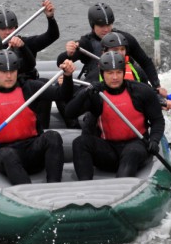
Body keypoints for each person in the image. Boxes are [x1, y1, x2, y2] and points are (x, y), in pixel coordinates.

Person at [0, 49, 76, 185]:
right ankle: (26, 191)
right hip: (4, 152)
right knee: (8, 154)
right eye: (4, 72)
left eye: (12, 71)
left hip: (33, 149)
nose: (9, 76)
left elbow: (62, 95)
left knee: (53, 136)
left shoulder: (30, 88)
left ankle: (54, 184)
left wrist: (68, 76)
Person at [63, 51, 165, 180]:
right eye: (110, 73)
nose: (115, 77)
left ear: (124, 72)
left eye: (118, 72)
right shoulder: (96, 94)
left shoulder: (141, 91)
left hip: (136, 145)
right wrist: (85, 92)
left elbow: (157, 120)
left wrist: (154, 140)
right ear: (102, 74)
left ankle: (122, 186)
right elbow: (69, 113)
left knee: (132, 152)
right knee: (80, 142)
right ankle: (85, 185)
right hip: (108, 149)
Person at [56, 2, 168, 99]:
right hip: (98, 89)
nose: (106, 29)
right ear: (92, 25)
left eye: (108, 25)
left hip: (127, 86)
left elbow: (145, 62)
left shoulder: (124, 39)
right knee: (59, 87)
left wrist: (156, 86)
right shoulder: (86, 43)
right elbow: (60, 62)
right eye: (101, 26)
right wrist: (69, 54)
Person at [0, 0, 60, 80]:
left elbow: (52, 36)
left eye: (10, 28)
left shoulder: (27, 43)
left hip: (29, 83)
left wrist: (50, 17)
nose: (7, 32)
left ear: (16, 28)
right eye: (3, 29)